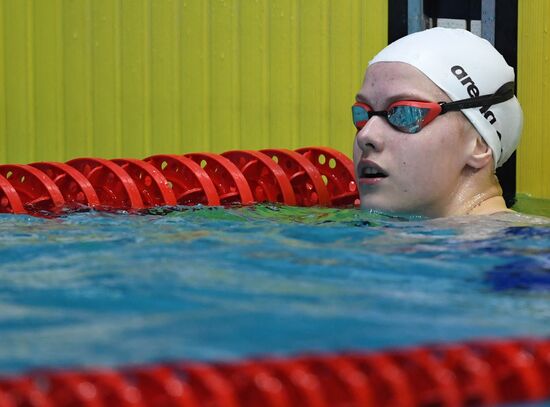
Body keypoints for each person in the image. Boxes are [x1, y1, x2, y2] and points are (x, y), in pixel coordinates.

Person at [352, 27, 523, 218]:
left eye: (406, 113)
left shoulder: (525, 244)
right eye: (363, 114)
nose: (365, 135)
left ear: (479, 145)